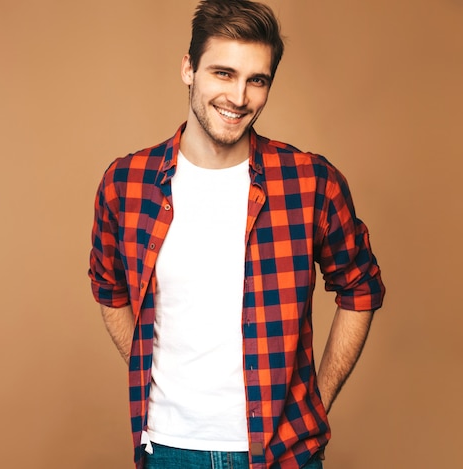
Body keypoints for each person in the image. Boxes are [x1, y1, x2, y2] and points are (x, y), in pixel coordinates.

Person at [88, 1, 385, 468]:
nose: (239, 97)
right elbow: (108, 288)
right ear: (189, 68)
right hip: (168, 451)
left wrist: (314, 404)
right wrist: (152, 369)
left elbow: (361, 288)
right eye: (223, 74)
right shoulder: (127, 183)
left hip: (284, 454)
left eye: (257, 80)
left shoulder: (310, 181)